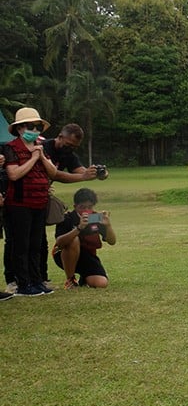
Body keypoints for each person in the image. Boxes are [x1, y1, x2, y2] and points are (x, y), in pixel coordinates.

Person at [4, 123, 104, 292]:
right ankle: (14, 280)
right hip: (16, 199)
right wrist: (83, 177)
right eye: (69, 144)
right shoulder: (40, 147)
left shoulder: (67, 153)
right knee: (15, 241)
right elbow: (55, 174)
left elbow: (81, 171)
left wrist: (97, 174)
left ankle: (39, 279)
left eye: (74, 147)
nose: (70, 148)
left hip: (38, 199)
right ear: (60, 136)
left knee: (38, 241)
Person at [2, 108, 58, 296]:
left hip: (39, 203)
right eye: (31, 126)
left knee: (36, 245)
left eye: (38, 126)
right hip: (19, 204)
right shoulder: (12, 148)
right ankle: (23, 283)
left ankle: (37, 280)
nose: (35, 130)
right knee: (21, 245)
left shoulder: (40, 147)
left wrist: (41, 156)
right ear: (19, 129)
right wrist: (33, 158)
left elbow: (53, 173)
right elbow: (14, 174)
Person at [52, 188, 116, 289]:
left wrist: (108, 226)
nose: (86, 211)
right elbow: (59, 243)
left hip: (87, 256)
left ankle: (85, 278)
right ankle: (70, 279)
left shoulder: (96, 218)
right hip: (64, 255)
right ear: (75, 206)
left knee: (101, 283)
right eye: (82, 207)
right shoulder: (67, 218)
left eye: (89, 207)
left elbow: (112, 242)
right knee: (74, 240)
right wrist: (79, 228)